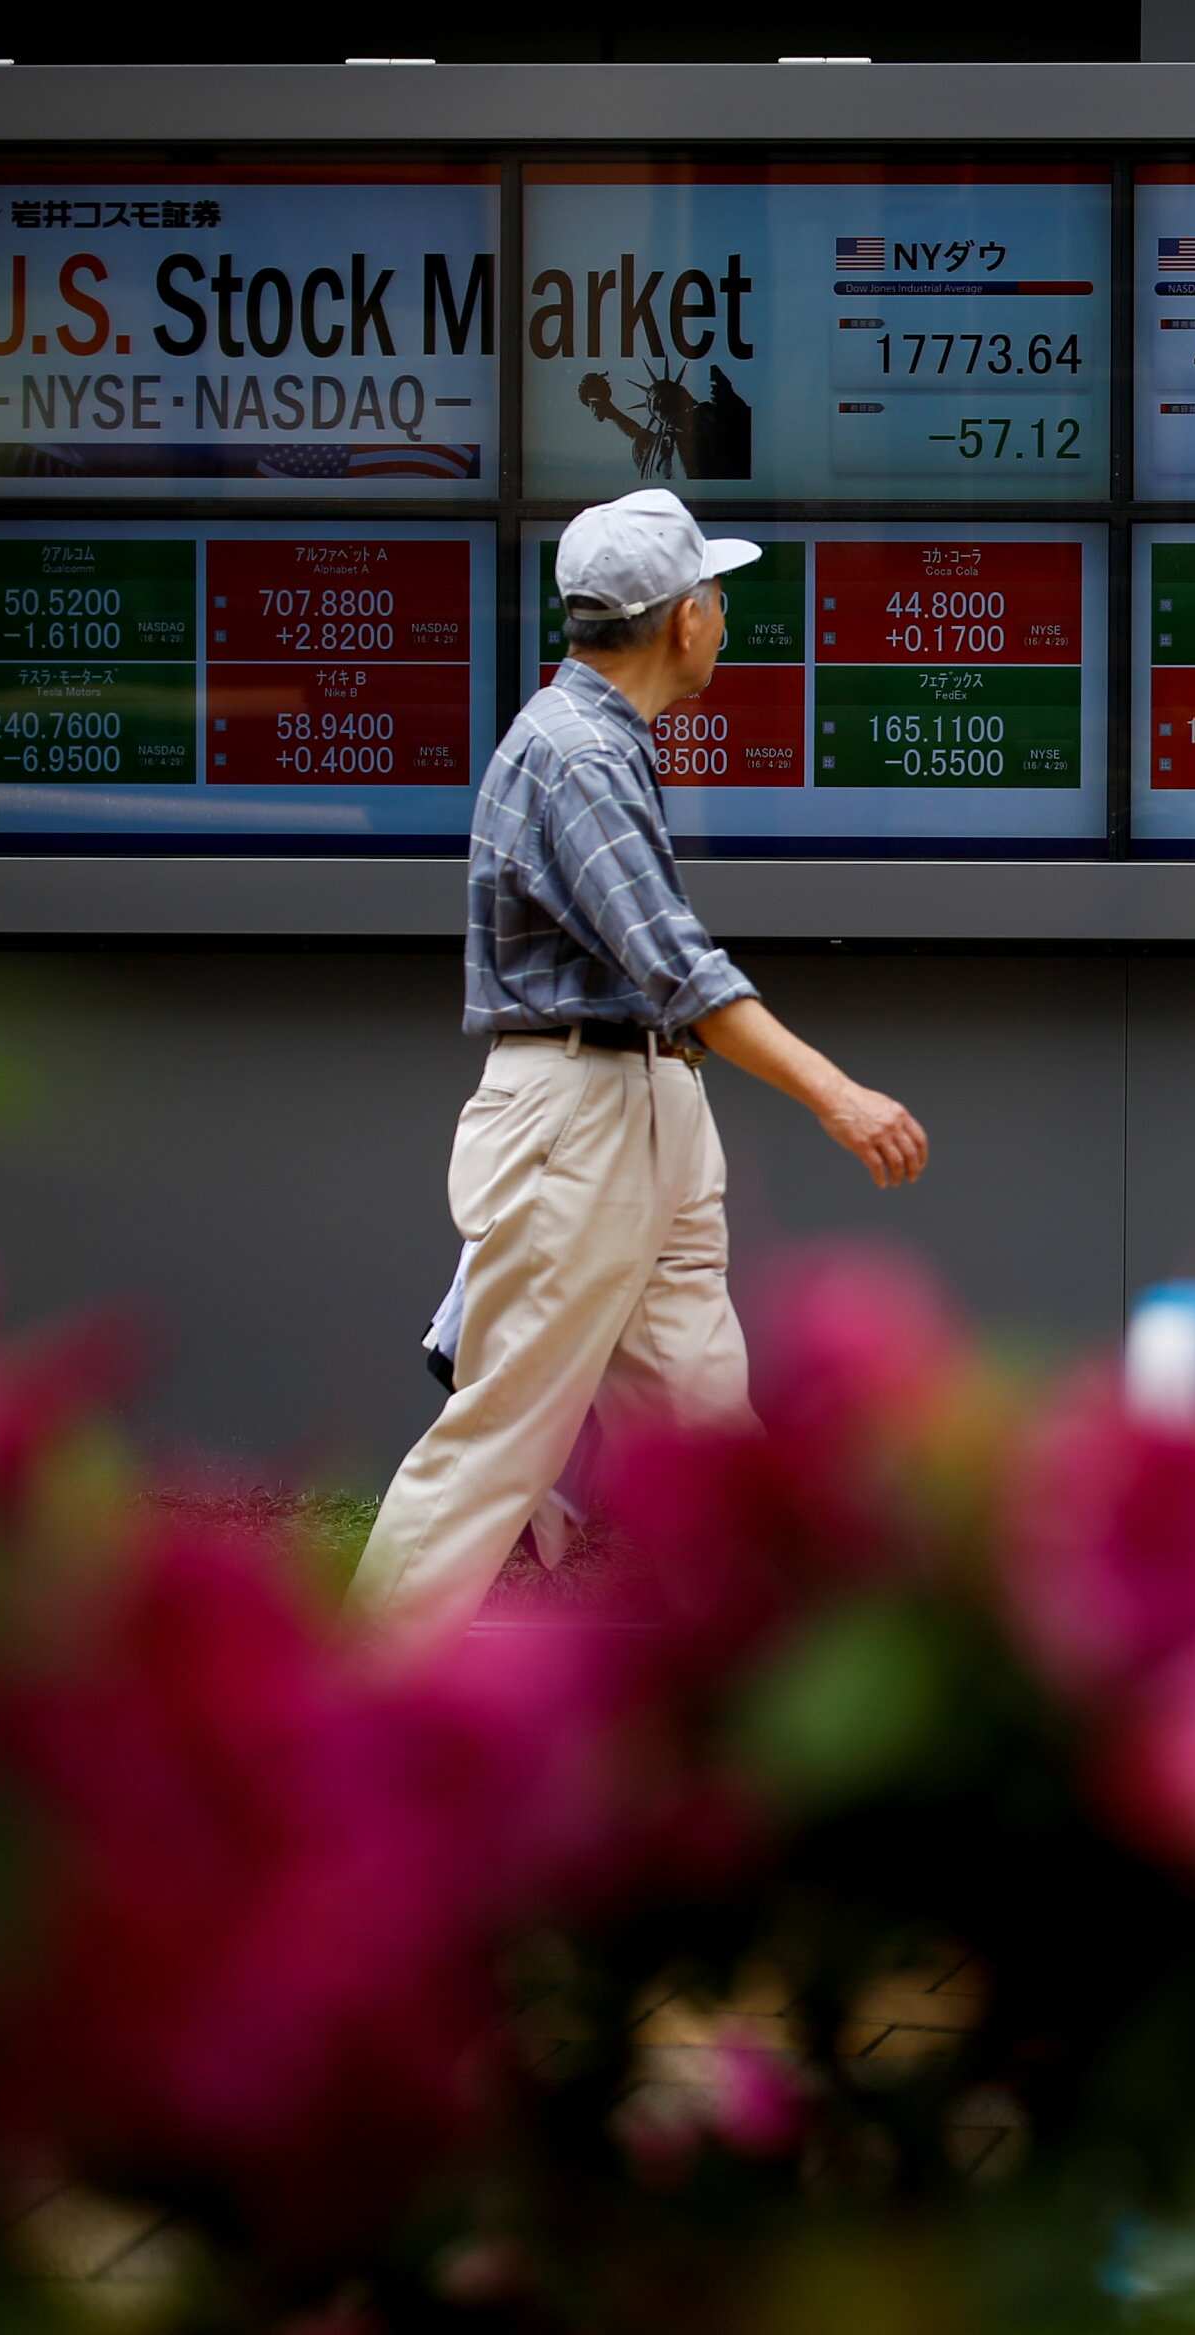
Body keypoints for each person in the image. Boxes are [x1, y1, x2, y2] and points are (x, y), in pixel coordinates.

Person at [347, 487, 928, 1641]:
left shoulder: (595, 740)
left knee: (706, 1436)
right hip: (585, 1110)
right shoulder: (576, 753)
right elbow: (675, 966)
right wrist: (836, 1093)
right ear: (680, 617)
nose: (724, 615)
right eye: (715, 593)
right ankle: (351, 1690)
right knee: (502, 1437)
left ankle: (774, 1681)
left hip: (635, 1100)